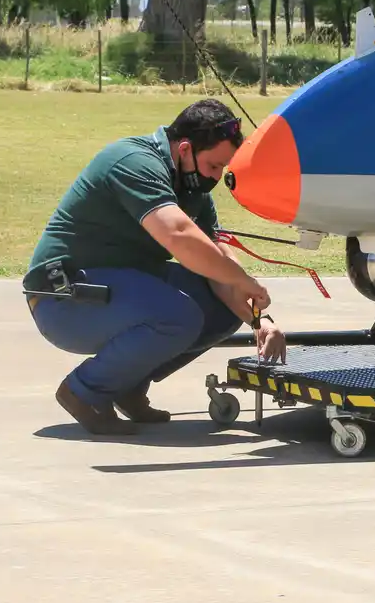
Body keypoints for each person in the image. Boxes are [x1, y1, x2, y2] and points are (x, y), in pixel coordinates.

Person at [23, 98, 286, 436]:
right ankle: (84, 392)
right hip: (64, 299)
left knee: (221, 308)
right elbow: (179, 236)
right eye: (214, 166)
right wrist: (244, 280)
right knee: (179, 314)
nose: (216, 178)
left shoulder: (193, 191)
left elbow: (217, 261)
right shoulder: (134, 162)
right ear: (186, 149)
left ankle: (128, 385)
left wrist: (259, 320)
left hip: (113, 290)